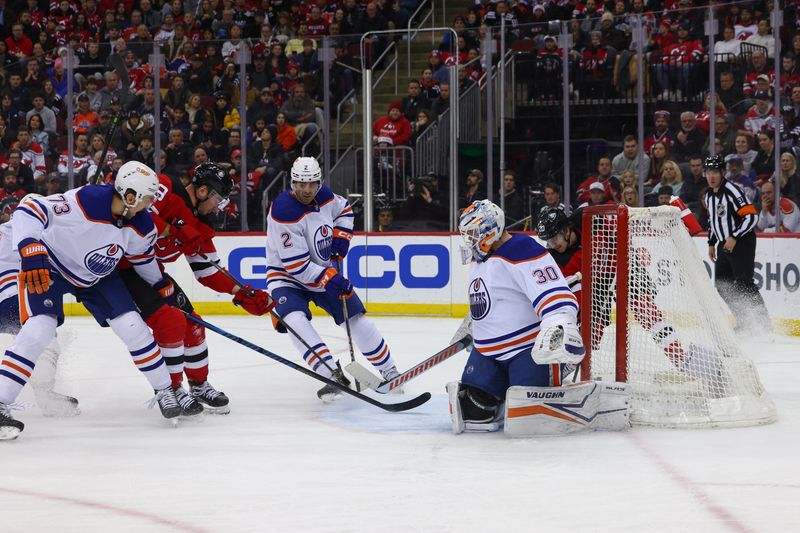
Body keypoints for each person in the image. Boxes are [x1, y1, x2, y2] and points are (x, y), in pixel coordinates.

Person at [0, 162, 185, 439]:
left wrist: (159, 283)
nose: (149, 205)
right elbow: (30, 208)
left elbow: (142, 259)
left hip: (97, 276)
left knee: (132, 326)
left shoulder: (141, 224)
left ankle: (164, 391)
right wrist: (32, 250)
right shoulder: (86, 200)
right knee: (40, 329)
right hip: (50, 265)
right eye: (146, 198)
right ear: (131, 196)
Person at [118, 162, 275, 415]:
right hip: (122, 270)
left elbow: (208, 271)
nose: (219, 207)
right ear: (203, 191)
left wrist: (241, 292)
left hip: (153, 273)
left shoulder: (200, 226)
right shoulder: (164, 188)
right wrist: (172, 229)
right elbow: (133, 214)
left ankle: (198, 386)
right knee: (170, 322)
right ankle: (172, 388)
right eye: (218, 199)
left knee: (193, 324)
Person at [447, 200, 597, 435]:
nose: (470, 240)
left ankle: (543, 389)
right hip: (487, 353)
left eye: (474, 233)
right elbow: (489, 297)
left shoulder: (522, 249)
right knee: (474, 412)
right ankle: (501, 393)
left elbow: (554, 293)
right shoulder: (481, 257)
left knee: (528, 417)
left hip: (525, 350)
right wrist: (474, 324)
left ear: (490, 229)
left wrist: (559, 323)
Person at [265, 157, 401, 401]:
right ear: (292, 182)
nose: (307, 190)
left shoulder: (324, 195)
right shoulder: (283, 211)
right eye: (301, 184)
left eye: (312, 184)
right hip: (287, 277)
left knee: (354, 317)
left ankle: (390, 371)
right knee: (294, 321)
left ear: (319, 181)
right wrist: (331, 278)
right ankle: (330, 373)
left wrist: (341, 237)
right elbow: (297, 267)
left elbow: (345, 210)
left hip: (322, 270)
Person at [703, 155, 771, 332]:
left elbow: (751, 216)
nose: (711, 176)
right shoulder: (709, 195)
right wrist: (711, 242)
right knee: (722, 284)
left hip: (742, 241)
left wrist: (734, 236)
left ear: (722, 173)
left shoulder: (733, 191)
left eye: (715, 172)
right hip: (724, 243)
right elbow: (713, 220)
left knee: (744, 283)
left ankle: (764, 325)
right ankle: (744, 320)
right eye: (708, 172)